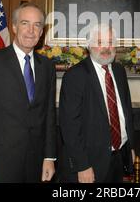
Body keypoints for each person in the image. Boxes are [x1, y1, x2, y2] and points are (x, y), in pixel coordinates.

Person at [0, 2, 57, 183]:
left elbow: (49, 116)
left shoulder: (47, 66)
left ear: (41, 31)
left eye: (37, 25)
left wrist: (49, 158)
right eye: (25, 23)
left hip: (36, 165)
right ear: (14, 27)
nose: (31, 30)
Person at [58, 24, 135, 183]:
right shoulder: (75, 76)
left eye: (110, 42)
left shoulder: (119, 71)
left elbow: (126, 112)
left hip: (117, 159)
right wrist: (82, 165)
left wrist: (130, 148)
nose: (106, 48)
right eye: (100, 42)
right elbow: (69, 126)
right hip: (89, 164)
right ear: (89, 46)